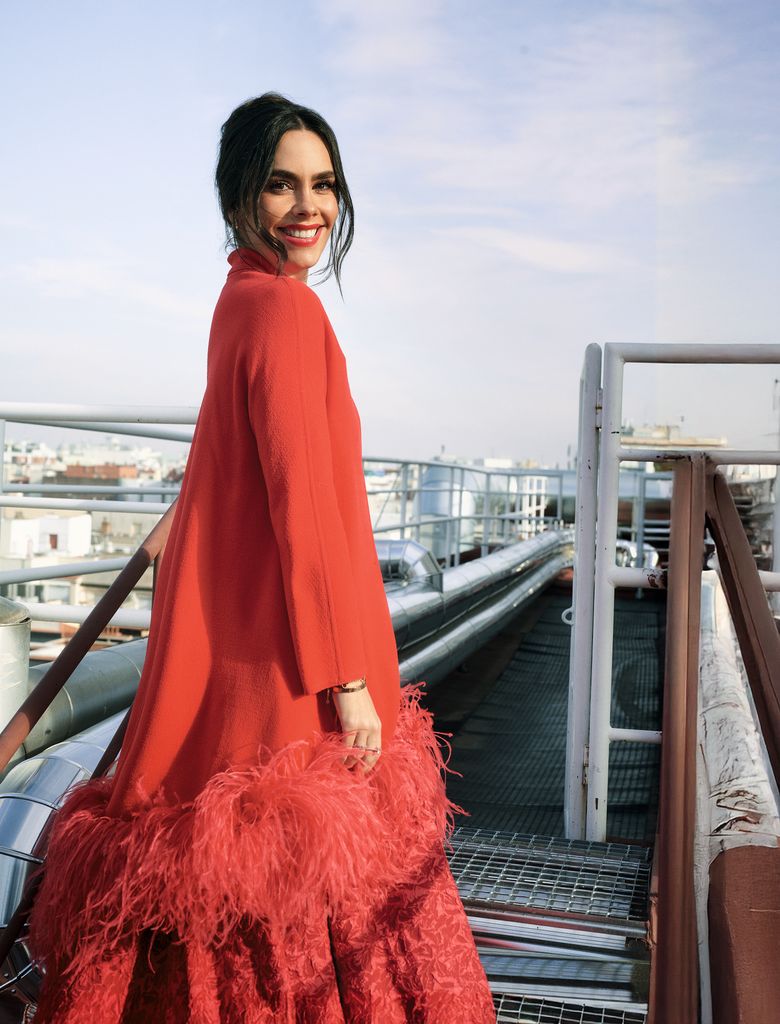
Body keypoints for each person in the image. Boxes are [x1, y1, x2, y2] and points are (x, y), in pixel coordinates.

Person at [27, 92, 496, 1023]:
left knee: (215, 868)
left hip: (239, 631)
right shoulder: (284, 312)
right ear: (239, 195)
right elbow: (304, 512)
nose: (308, 207)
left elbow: (230, 460)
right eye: (282, 185)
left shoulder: (238, 300)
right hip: (293, 655)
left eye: (323, 185)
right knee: (304, 876)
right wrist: (347, 679)